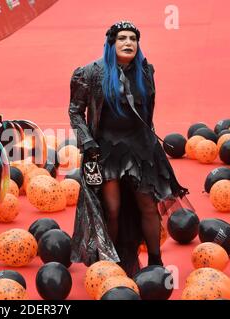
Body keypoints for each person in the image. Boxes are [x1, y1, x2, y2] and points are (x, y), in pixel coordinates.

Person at [69, 21, 192, 276]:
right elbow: (75, 112)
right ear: (111, 43)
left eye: (133, 39)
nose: (128, 43)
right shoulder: (90, 73)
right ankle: (111, 265)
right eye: (122, 38)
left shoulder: (146, 71)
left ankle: (156, 264)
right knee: (111, 209)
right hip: (106, 150)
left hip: (140, 149)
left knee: (148, 206)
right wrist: (88, 142)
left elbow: (148, 111)